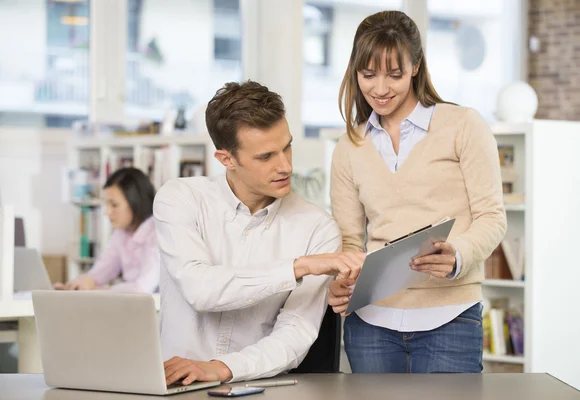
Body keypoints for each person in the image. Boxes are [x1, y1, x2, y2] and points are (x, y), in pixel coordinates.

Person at [327, 10, 507, 374]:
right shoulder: (349, 147)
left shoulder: (463, 126)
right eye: (368, 74)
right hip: (370, 324)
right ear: (354, 71)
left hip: (450, 317)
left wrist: (457, 254)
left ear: (416, 66)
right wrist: (342, 283)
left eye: (394, 74)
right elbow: (350, 241)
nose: (380, 88)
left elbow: (492, 217)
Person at [153, 80, 365, 385]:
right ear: (226, 159)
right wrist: (298, 267)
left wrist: (223, 368)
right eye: (266, 157)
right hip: (172, 385)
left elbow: (295, 334)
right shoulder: (180, 199)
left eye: (287, 147)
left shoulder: (316, 227)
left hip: (256, 387)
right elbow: (201, 289)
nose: (285, 166)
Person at [54, 167, 159, 293]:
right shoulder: (121, 234)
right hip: (133, 305)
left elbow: (142, 288)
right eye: (106, 204)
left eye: (114, 205)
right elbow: (100, 272)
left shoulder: (157, 233)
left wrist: (96, 290)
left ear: (135, 202)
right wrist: (75, 286)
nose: (107, 212)